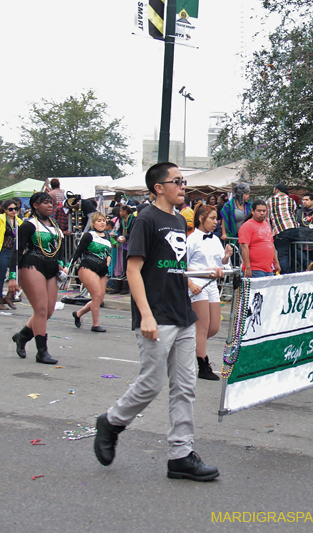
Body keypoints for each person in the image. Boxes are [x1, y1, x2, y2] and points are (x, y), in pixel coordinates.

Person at [92, 162, 219, 481]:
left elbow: (174, 267)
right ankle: (111, 422)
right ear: (158, 188)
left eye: (183, 181)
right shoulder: (147, 219)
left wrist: (206, 274)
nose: (183, 186)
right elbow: (134, 269)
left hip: (183, 312)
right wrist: (145, 314)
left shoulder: (178, 219)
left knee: (185, 386)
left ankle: (181, 454)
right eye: (176, 181)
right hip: (156, 314)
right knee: (151, 383)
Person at [10, 191, 68, 365]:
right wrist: (12, 277)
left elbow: (59, 248)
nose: (50, 205)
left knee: (48, 311)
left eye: (51, 202)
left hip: (51, 267)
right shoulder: (28, 225)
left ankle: (22, 336)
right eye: (45, 202)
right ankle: (42, 352)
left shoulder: (55, 224)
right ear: (35, 205)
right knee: (41, 310)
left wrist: (60, 264)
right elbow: (16, 250)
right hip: (32, 264)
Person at [187, 204, 233, 380]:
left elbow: (221, 263)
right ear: (201, 218)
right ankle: (203, 365)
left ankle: (185, 345)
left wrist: (226, 256)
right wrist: (190, 283)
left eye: (216, 219)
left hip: (212, 284)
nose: (216, 222)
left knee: (214, 327)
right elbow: (181, 264)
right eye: (212, 218)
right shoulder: (191, 239)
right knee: (202, 327)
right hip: (198, 283)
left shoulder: (215, 239)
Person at [69, 213, 112, 332]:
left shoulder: (107, 236)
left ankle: (78, 314)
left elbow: (108, 252)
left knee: (99, 298)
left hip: (102, 269)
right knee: (97, 295)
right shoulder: (89, 235)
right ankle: (96, 324)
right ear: (93, 223)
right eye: (99, 221)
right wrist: (69, 266)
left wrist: (109, 258)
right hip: (88, 266)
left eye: (104, 220)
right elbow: (78, 252)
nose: (102, 223)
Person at [0, 199, 22, 310]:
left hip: (14, 252)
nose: (13, 211)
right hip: (1, 251)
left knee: (15, 275)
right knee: (0, 276)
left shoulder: (18, 221)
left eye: (15, 209)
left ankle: (9, 297)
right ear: (5, 210)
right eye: (10, 209)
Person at [239, 200, 281, 277]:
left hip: (269, 269)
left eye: (264, 211)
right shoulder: (247, 226)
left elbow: (271, 244)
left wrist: (277, 263)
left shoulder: (266, 225)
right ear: (252, 211)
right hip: (255, 269)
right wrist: (248, 268)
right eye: (259, 211)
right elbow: (244, 247)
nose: (262, 213)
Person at [266, 183, 299, 274]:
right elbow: (295, 213)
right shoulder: (291, 200)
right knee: (295, 251)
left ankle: (288, 276)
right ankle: (307, 263)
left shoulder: (270, 201)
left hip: (281, 230)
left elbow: (268, 219)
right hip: (294, 228)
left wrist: (269, 233)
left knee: (283, 256)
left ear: (276, 190)